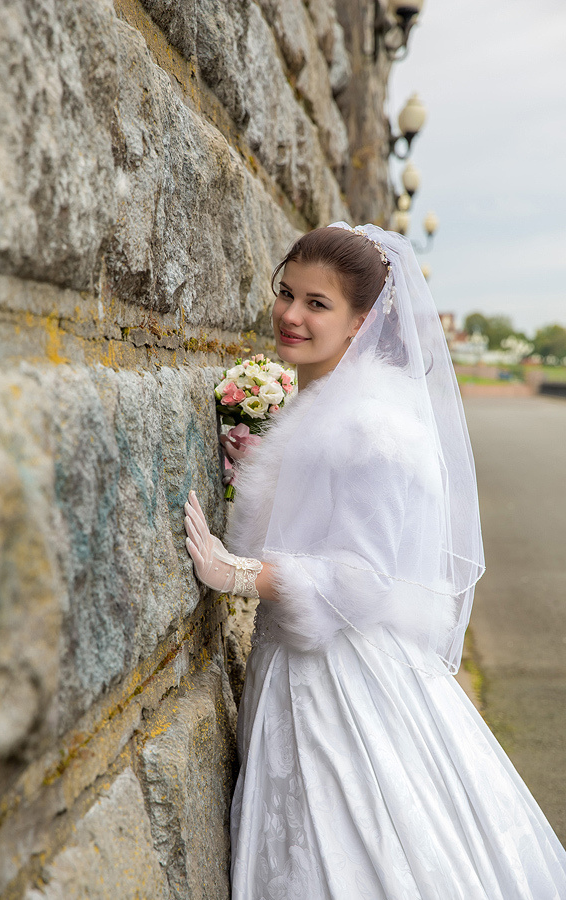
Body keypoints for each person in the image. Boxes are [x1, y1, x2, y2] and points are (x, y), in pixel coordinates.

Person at [184, 223, 566, 899]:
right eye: (286, 293)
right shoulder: (323, 406)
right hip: (299, 670)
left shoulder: (374, 428)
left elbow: (358, 580)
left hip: (338, 679)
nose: (291, 315)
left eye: (317, 304)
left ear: (363, 321)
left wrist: (233, 573)